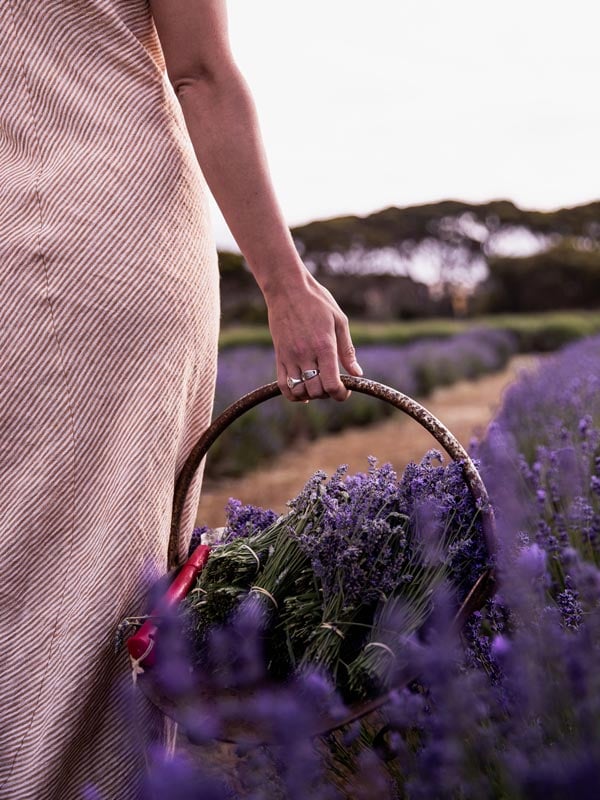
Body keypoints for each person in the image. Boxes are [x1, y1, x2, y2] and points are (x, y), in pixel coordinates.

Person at [0, 0, 361, 797]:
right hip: (112, 235)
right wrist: (284, 282)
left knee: (35, 559)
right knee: (102, 581)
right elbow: (199, 70)